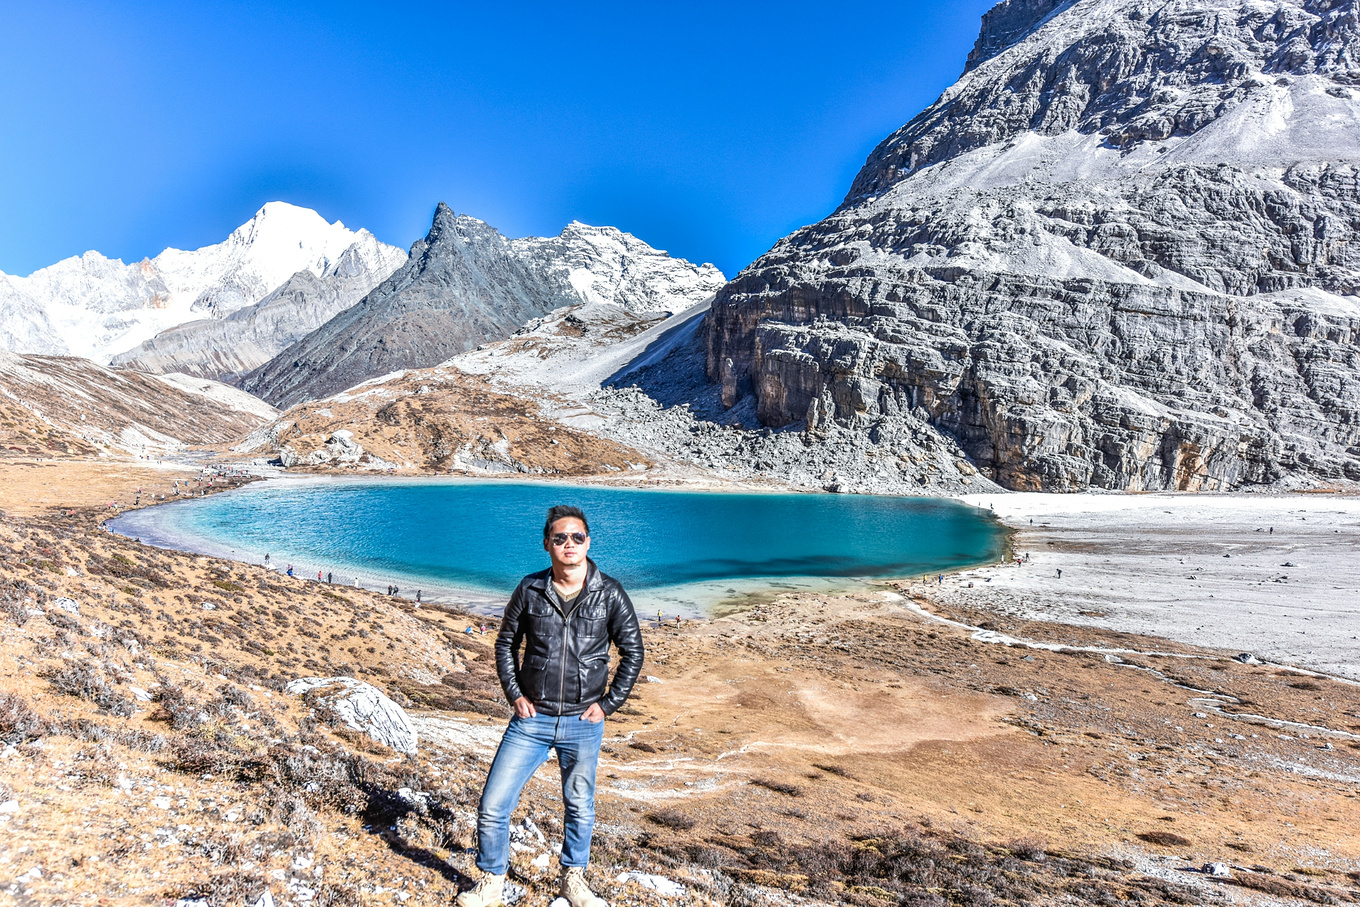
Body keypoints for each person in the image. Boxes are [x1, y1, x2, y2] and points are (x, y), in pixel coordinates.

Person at [458, 505, 644, 907]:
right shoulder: (529, 589)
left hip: (583, 720)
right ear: (547, 545)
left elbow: (633, 652)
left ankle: (573, 880)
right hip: (532, 718)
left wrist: (608, 705)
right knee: (493, 804)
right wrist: (515, 695)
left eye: (577, 537)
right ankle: (491, 879)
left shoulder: (610, 592)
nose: (569, 544)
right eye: (560, 538)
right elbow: (506, 644)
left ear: (588, 542)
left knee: (579, 806)